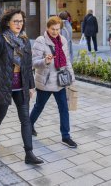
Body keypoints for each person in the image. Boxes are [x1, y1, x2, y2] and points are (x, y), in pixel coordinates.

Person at [0, 9, 43, 165]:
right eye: (15, 21)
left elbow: (28, 66)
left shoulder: (24, 41)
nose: (18, 24)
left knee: (25, 120)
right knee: (1, 114)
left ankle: (29, 153)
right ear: (7, 22)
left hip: (21, 86)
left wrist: (30, 86)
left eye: (21, 21)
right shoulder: (0, 41)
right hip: (4, 86)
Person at [30, 16, 77, 148]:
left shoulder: (62, 40)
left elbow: (67, 61)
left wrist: (72, 79)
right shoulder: (40, 41)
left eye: (58, 29)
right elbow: (33, 62)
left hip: (60, 81)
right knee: (39, 106)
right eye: (53, 29)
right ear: (47, 28)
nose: (55, 32)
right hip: (45, 82)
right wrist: (45, 61)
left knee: (64, 108)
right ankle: (29, 125)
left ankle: (66, 136)